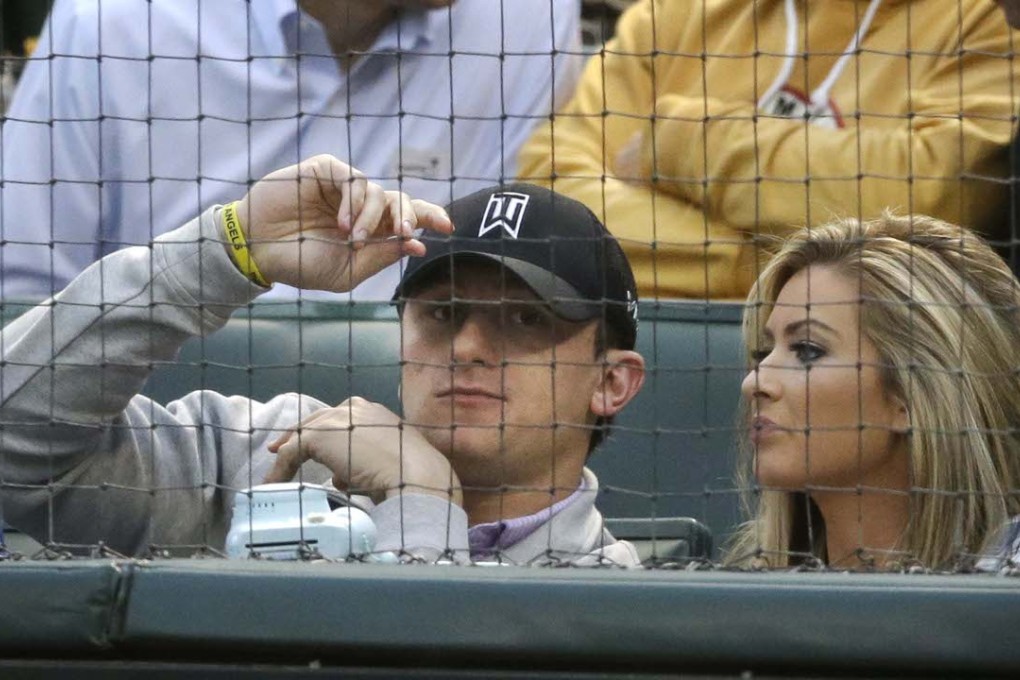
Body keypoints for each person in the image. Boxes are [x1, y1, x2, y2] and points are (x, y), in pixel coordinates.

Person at [0, 154, 646, 566]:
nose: (468, 348)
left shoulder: (610, 589)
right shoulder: (267, 451)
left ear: (611, 382)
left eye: (526, 319)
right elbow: (12, 441)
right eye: (441, 314)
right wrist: (229, 251)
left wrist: (420, 499)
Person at [0, 0, 583, 301]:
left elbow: (537, 250)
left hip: (424, 449)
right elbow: (21, 292)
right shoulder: (114, 23)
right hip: (149, 445)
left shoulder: (530, 17)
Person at [518, 0, 1019, 300]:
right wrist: (780, 264)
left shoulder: (989, 16)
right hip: (653, 345)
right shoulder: (677, 12)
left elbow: (935, 200)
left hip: (891, 371)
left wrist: (677, 143)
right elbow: (551, 201)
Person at [725, 212, 1020, 571]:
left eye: (806, 350)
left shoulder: (1005, 590)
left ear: (909, 397)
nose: (754, 383)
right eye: (763, 353)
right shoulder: (736, 591)